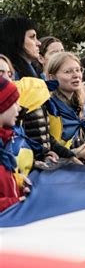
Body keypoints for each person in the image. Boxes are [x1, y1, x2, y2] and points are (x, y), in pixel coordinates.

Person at [46, 52, 85, 164]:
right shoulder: (48, 106)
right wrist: (75, 153)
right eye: (68, 71)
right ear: (52, 77)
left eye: (78, 70)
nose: (76, 75)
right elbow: (47, 147)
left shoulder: (80, 105)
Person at [0, 77, 26, 212]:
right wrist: (15, 203)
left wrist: (20, 191)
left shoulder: (4, 143)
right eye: (15, 102)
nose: (19, 107)